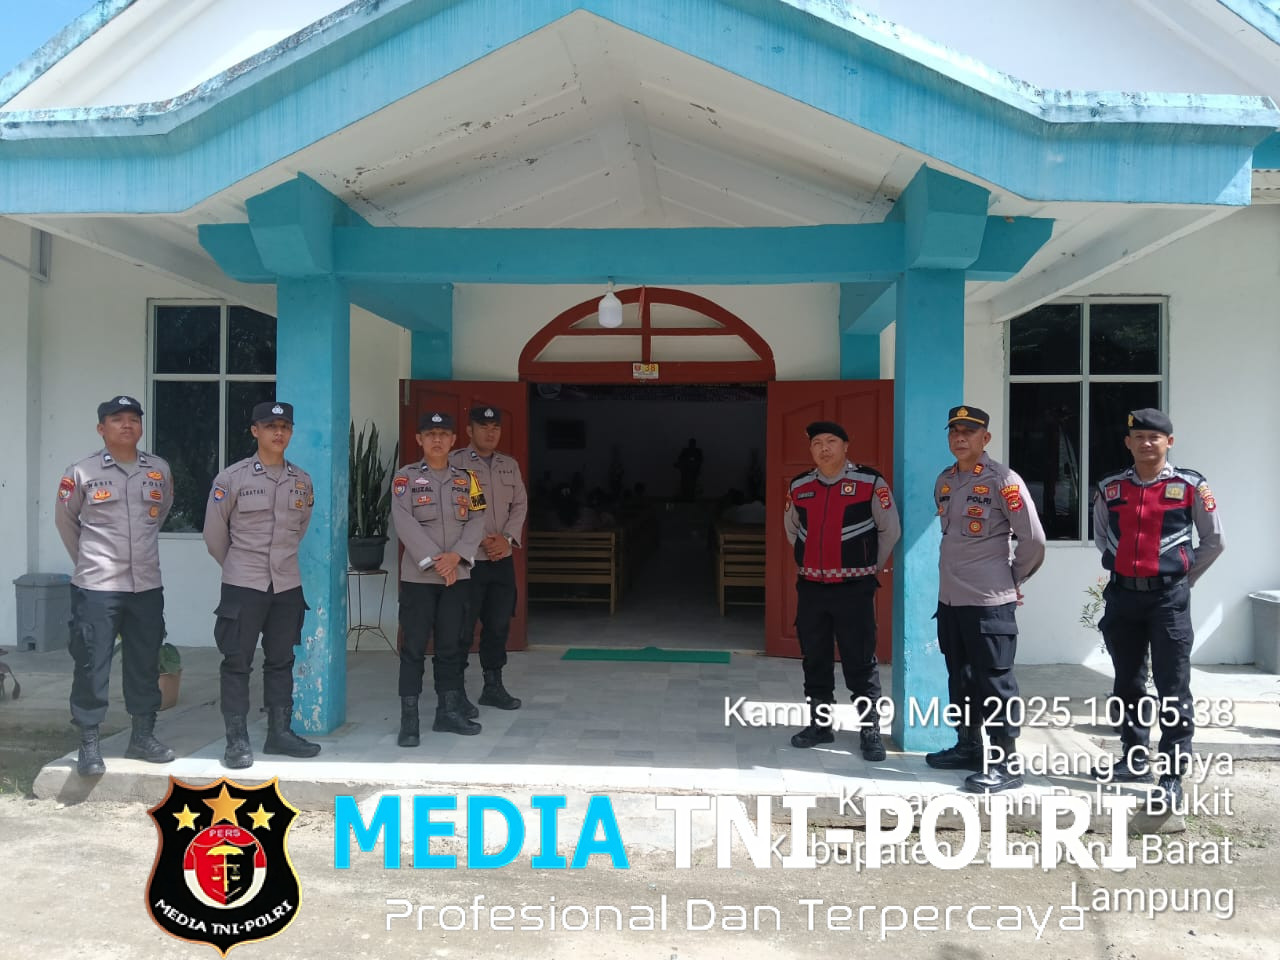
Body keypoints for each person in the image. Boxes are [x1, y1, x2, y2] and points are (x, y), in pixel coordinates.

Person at [1092, 408, 1224, 811]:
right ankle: (1134, 759)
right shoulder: (1110, 487)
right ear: (1128, 443)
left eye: (1155, 437)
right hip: (1123, 597)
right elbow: (1102, 538)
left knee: (1172, 686)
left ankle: (1171, 775)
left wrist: (1182, 579)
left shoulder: (1190, 486)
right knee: (1127, 683)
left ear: (1169, 442)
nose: (1146, 443)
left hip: (1169, 601)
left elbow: (1213, 541)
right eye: (1139, 437)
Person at [926, 405, 1046, 793]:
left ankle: (1006, 762)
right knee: (960, 677)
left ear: (985, 438)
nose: (960, 437)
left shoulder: (1003, 481)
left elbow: (1033, 540)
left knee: (994, 681)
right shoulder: (945, 480)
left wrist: (1011, 579)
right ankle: (968, 746)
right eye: (954, 431)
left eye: (969, 431)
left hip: (988, 601)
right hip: (951, 600)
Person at [55, 395, 176, 776]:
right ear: (101, 428)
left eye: (133, 419)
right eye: (117, 419)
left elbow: (160, 513)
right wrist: (90, 563)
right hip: (97, 586)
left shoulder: (158, 470)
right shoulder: (81, 471)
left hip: (146, 585)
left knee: (145, 661)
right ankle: (89, 744)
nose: (127, 425)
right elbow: (66, 521)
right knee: (92, 663)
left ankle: (142, 737)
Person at [203, 401, 322, 769]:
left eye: (285, 426)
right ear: (255, 431)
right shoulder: (232, 478)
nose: (278, 432)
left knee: (282, 660)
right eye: (270, 426)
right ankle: (237, 741)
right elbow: (214, 534)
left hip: (286, 585)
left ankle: (279, 733)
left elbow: (300, 527)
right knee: (237, 661)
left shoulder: (301, 480)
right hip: (243, 585)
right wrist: (239, 567)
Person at [784, 420, 901, 761]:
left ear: (846, 446)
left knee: (860, 660)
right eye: (817, 442)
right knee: (815, 659)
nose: (824, 448)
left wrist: (866, 566)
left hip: (854, 589)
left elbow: (890, 530)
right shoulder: (800, 486)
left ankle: (870, 730)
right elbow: (792, 530)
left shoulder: (870, 482)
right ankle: (820, 725)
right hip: (812, 589)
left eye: (831, 441)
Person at [392, 411, 487, 744]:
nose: (437, 439)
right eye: (430, 434)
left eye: (443, 434)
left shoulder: (469, 479)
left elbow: (477, 518)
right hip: (420, 578)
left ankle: (447, 713)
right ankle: (409, 721)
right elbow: (404, 522)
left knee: (451, 646)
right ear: (419, 439)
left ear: (453, 440)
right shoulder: (405, 478)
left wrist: (456, 556)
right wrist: (436, 560)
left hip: (456, 576)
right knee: (414, 648)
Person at [449, 405, 528, 713]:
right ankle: (455, 691)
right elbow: (451, 507)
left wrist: (506, 539)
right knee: (462, 628)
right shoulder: (455, 463)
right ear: (469, 431)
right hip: (468, 561)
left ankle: (493, 686)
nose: (491, 432)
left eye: (495, 427)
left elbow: (519, 505)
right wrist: (479, 539)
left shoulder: (509, 465)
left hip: (500, 559)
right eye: (483, 426)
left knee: (498, 625)